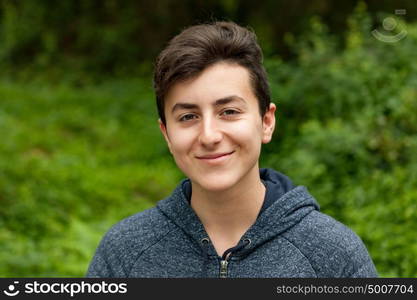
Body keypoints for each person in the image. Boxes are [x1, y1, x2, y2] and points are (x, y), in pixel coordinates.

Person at [86, 21, 377, 278]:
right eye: (188, 117)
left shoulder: (333, 255)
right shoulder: (124, 253)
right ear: (167, 134)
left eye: (229, 111)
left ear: (266, 121)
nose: (209, 135)